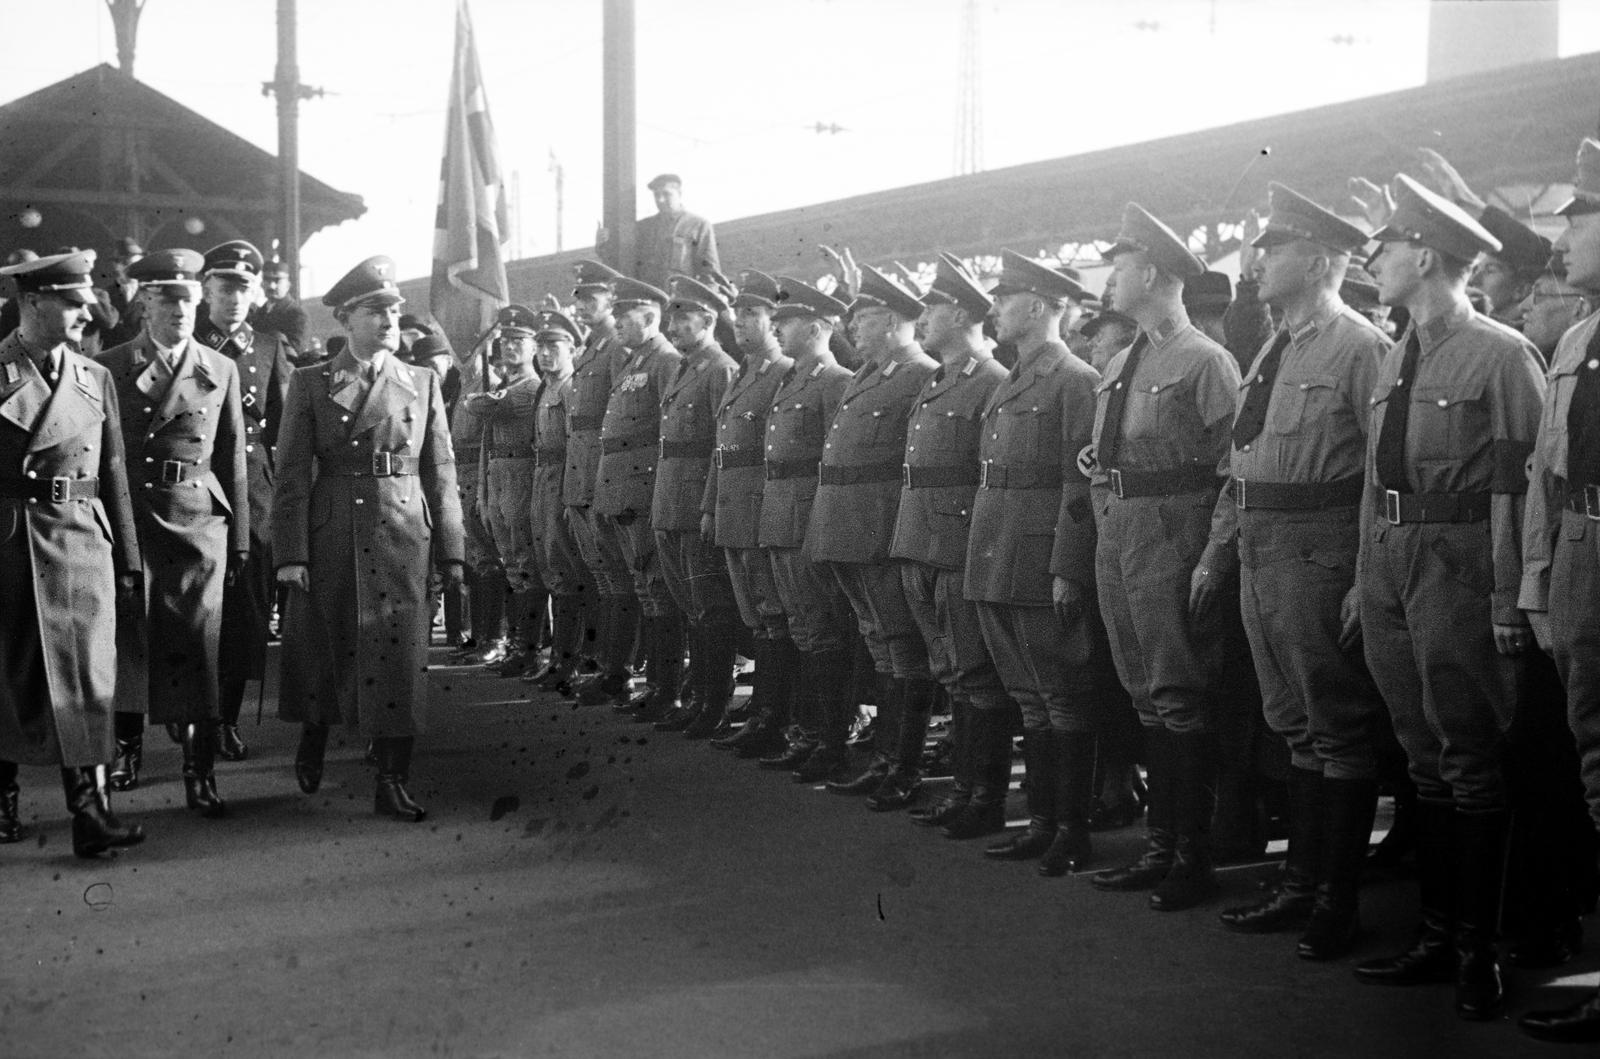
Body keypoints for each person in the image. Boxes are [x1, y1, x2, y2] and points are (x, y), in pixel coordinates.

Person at [1348, 175, 1544, 1021]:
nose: (1376, 260)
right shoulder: (1398, 353)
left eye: (1386, 248)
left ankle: (1478, 948)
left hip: (1461, 562)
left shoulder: (1502, 354)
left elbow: (1522, 482)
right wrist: (1364, 574)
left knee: (1470, 752)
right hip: (1393, 560)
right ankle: (1435, 930)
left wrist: (1509, 594)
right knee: (1421, 750)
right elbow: (1373, 475)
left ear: (1425, 255)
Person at [1191, 183, 1389, 958]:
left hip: (1320, 550)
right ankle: (1301, 882)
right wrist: (1219, 548)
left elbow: (1384, 469)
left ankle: (1335, 898)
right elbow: (1242, 459)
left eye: (1274, 250)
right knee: (1296, 727)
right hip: (1264, 550)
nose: (1259, 260)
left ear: (1316, 260)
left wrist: (1365, 577)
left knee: (1337, 729)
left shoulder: (1361, 346)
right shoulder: (1276, 347)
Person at [272, 255, 465, 823]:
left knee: (400, 660)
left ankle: (392, 779)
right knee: (324, 647)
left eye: (394, 309)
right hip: (332, 526)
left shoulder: (422, 382)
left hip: (404, 530)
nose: (389, 319)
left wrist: (452, 549)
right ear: (345, 318)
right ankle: (314, 732)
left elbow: (443, 471)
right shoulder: (310, 383)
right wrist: (290, 555)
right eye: (375, 310)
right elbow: (290, 477)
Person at [1088, 203, 1241, 913]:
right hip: (1124, 534)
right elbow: (1100, 457)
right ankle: (1160, 845)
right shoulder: (1123, 360)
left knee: (1181, 693)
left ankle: (1191, 853)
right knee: (1145, 691)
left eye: (1117, 268)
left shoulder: (1206, 361)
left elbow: (1235, 467)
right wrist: (1106, 513)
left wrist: (1214, 551)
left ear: (1149, 272)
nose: (1109, 282)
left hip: (1175, 537)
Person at [958, 250, 1104, 870]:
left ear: (1038, 307)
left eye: (1003, 300)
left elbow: (1081, 484)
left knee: (1062, 697)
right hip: (996, 552)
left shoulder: (1073, 379)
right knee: (1030, 698)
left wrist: (1068, 566)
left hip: (1038, 558)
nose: (993, 310)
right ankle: (1042, 821)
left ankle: (1071, 831)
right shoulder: (1015, 378)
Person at [0, 249, 146, 858]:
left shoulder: (95, 377)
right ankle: (3, 802)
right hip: (12, 544)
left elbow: (114, 472)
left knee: (86, 676)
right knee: (10, 679)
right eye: (71, 300)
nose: (87, 311)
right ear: (32, 302)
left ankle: (90, 812)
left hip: (83, 539)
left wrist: (130, 555)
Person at [98, 249, 249, 818]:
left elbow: (232, 457)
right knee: (129, 640)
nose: (181, 311)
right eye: (168, 300)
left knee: (196, 645)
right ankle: (127, 750)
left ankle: (198, 767)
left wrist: (238, 541)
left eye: (188, 300)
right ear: (145, 303)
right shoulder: (109, 365)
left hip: (197, 520)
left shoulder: (220, 367)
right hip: (131, 515)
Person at [1518, 136, 1600, 1045]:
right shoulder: (1576, 338)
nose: (1566, 232)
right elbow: (1546, 472)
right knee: (1597, 765)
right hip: (1582, 554)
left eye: (1582, 216)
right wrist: (1540, 578)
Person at [804, 266, 939, 792]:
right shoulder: (867, 374)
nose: (852, 329)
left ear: (889, 322)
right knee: (881, 643)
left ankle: (902, 765)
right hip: (847, 527)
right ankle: (885, 760)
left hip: (879, 528)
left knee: (903, 646)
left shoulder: (917, 373)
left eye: (861, 320)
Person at [891, 254, 1009, 834]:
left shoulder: (990, 380)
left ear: (961, 312)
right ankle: (963, 788)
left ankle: (982, 794)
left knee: (974, 671)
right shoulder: (941, 378)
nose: (926, 318)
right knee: (951, 671)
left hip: (959, 543)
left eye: (933, 308)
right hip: (921, 539)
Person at [193, 240, 294, 763]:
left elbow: (286, 426)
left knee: (245, 618)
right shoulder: (187, 342)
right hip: (196, 489)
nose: (235, 296)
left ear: (256, 292)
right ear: (205, 289)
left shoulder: (269, 346)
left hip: (252, 497)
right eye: (225, 286)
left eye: (244, 287)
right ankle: (192, 718)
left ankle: (225, 721)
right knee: (191, 615)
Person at [755, 279, 855, 776]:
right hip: (780, 514)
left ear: (815, 328)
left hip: (807, 517)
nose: (778, 327)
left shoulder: (835, 381)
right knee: (801, 628)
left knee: (822, 630)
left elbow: (835, 465)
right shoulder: (793, 380)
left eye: (787, 322)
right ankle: (808, 731)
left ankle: (830, 737)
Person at [705, 270, 799, 756]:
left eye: (752, 315)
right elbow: (721, 450)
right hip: (734, 510)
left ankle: (773, 717)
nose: (740, 323)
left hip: (763, 510)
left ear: (774, 322)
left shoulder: (784, 372)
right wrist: (708, 506)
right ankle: (764, 710)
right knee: (759, 618)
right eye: (737, 314)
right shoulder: (744, 373)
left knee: (775, 614)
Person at [650, 276, 739, 737]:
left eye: (683, 319)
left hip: (695, 502)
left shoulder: (719, 369)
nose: (674, 326)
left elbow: (722, 448)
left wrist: (710, 505)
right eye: (672, 318)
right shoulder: (686, 368)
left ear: (709, 320)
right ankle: (697, 695)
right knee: (688, 605)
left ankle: (714, 703)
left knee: (710, 607)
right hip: (670, 498)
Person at [593, 278, 683, 722]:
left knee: (658, 591)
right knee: (645, 591)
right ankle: (652, 686)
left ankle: (666, 688)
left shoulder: (665, 360)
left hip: (642, 492)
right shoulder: (634, 362)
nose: (617, 325)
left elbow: (671, 434)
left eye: (625, 319)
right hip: (620, 490)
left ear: (649, 318)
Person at [565, 260, 640, 708]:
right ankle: (606, 664)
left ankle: (620, 670)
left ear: (612, 302)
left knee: (620, 578)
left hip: (603, 473)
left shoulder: (616, 347)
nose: (583, 308)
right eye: (580, 300)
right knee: (604, 578)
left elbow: (619, 421)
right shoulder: (591, 347)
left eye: (592, 300)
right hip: (583, 473)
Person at [462, 305, 548, 678]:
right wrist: (482, 492)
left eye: (520, 341)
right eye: (506, 341)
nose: (510, 348)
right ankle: (517, 645)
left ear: (534, 348)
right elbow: (485, 446)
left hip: (521, 480)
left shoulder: (530, 388)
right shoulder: (505, 388)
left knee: (526, 566)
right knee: (512, 567)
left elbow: (476, 407)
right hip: (498, 478)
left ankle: (528, 648)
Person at [522, 310, 590, 693]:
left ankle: (570, 660)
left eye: (554, 346)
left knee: (566, 568)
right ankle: (559, 658)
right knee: (549, 566)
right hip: (541, 477)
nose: (545, 354)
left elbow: (575, 445)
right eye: (541, 346)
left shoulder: (570, 388)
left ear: (572, 349)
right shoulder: (544, 388)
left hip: (562, 476)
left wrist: (570, 492)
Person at [631, 173, 720, 290]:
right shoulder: (643, 227)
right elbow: (626, 261)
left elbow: (709, 272)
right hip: (649, 299)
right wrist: (602, 245)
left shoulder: (698, 225)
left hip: (681, 299)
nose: (660, 200)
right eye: (656, 195)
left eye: (666, 194)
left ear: (680, 194)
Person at [251, 258, 309, 354]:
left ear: (288, 285)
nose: (271, 286)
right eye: (267, 280)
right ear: (262, 284)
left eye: (277, 281)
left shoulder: (296, 313)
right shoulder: (260, 312)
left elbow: (296, 351)